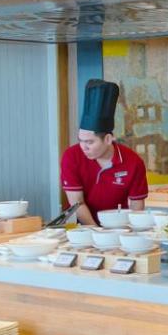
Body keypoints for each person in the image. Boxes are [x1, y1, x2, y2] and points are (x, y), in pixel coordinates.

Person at [60, 79, 149, 226]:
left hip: (117, 226)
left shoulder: (133, 162)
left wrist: (131, 232)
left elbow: (136, 207)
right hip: (78, 228)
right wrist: (96, 231)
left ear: (108, 139)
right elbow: (77, 203)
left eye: (90, 142)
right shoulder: (71, 156)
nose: (83, 147)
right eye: (81, 140)